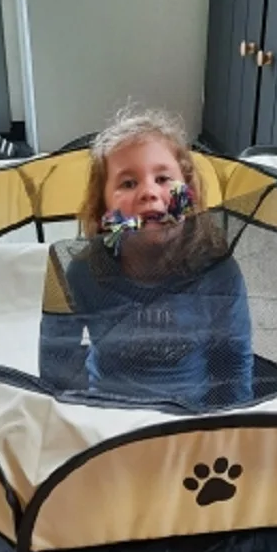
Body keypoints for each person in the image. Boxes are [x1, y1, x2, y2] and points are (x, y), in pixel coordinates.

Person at [39, 107, 253, 410]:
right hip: (110, 415)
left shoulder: (219, 271)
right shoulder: (82, 272)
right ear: (104, 209)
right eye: (128, 183)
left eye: (163, 178)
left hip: (190, 417)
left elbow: (234, 363)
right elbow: (56, 363)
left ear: (189, 196)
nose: (149, 192)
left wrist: (228, 427)